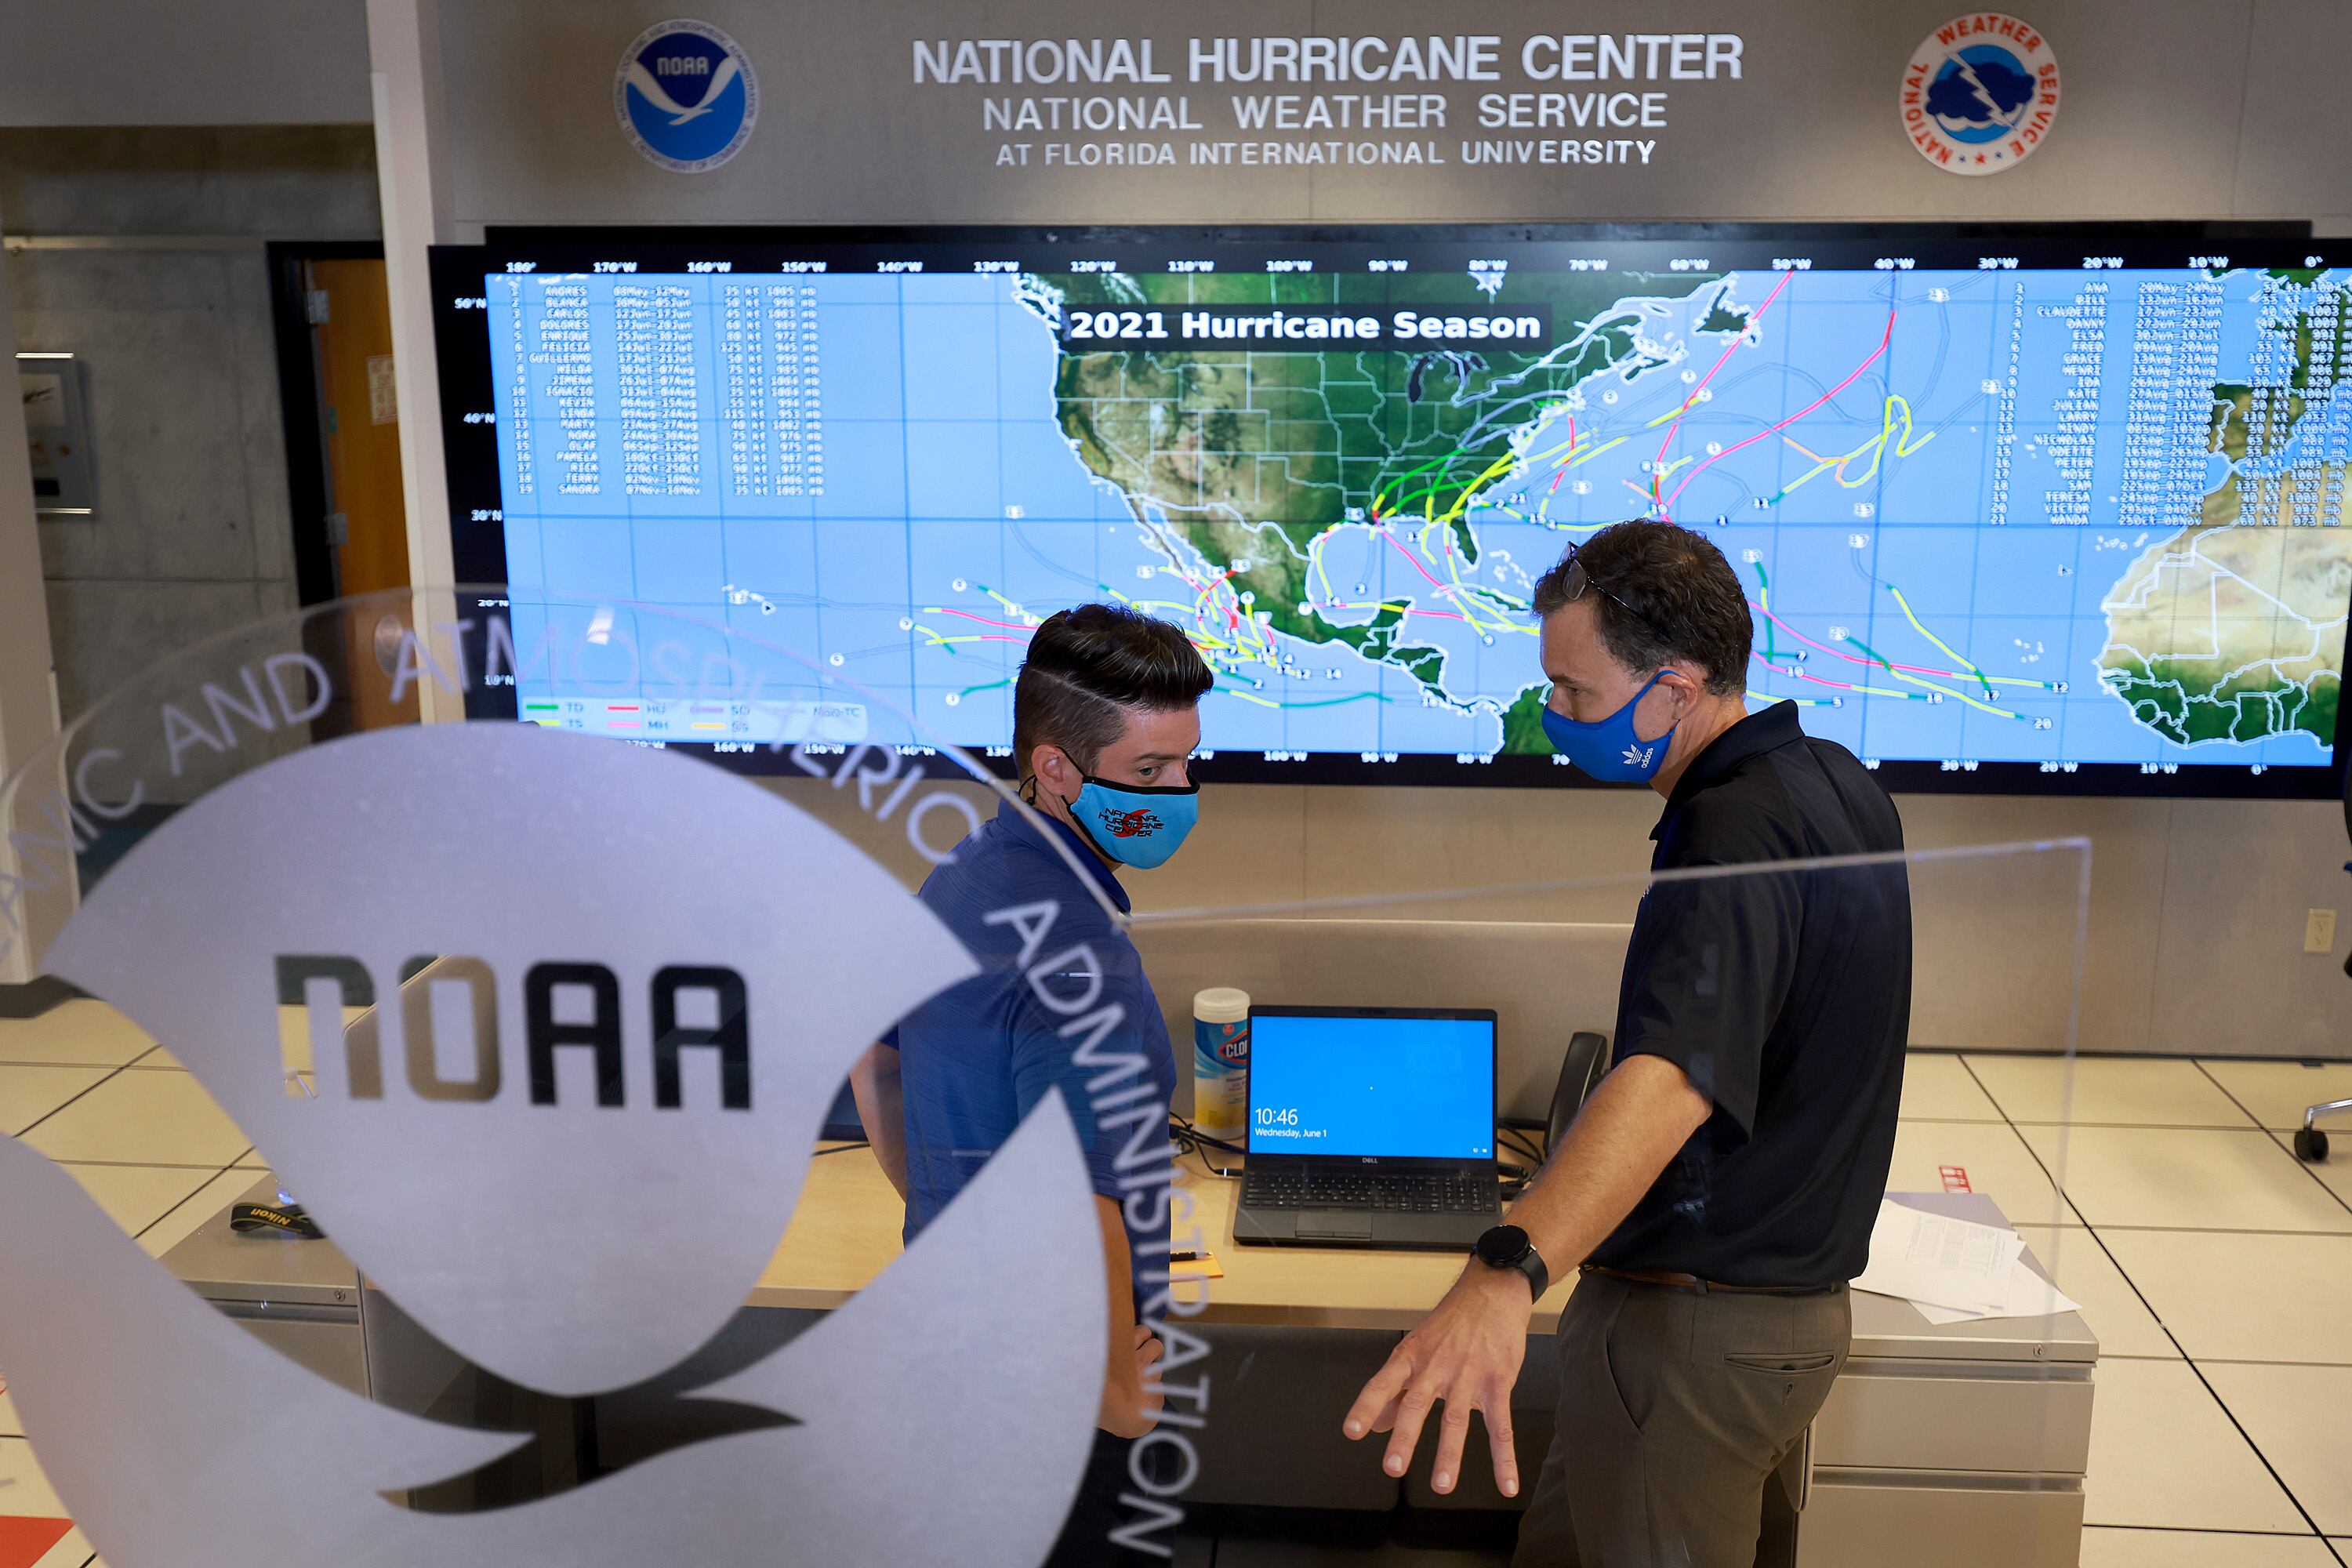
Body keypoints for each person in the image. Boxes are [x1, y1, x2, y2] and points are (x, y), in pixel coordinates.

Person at [1342, 518, 1913, 1568]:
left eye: (1577, 693)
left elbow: (1669, 1080)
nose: (1555, 714)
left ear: (1678, 689)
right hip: (1759, 1315)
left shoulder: (1731, 834)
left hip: (1700, 1338)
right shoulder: (1835, 782)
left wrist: (1505, 1269)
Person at [851, 602, 1212, 1566]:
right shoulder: (1084, 955)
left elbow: (874, 1058)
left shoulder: (966, 872)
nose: (1181, 791)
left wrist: (941, 1201)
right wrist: (1112, 1387)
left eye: (1185, 761)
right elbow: (1082, 1195)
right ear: (1057, 767)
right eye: (1149, 771)